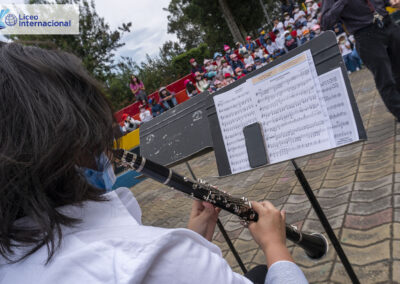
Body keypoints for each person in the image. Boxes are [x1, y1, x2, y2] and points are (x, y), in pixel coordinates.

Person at [0, 42, 309, 284]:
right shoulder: (152, 261)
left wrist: (195, 235)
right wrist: (274, 245)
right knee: (264, 269)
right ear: (72, 144)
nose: (108, 150)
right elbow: (163, 268)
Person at [321, 0, 400, 121]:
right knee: (385, 78)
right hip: (366, 35)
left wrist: (390, 2)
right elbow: (325, 22)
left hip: (388, 24)